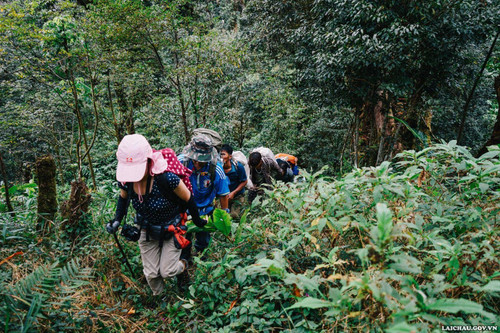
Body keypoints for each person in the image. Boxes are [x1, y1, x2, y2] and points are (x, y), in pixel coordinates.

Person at [106, 134, 207, 295]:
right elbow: (123, 200)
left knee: (168, 271)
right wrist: (117, 219)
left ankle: (184, 265)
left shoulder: (166, 178)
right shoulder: (127, 181)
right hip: (146, 227)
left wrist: (197, 220)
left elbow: (188, 198)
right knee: (151, 274)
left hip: (172, 226)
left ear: (148, 162)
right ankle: (161, 300)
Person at [179, 134, 230, 258]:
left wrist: (224, 216)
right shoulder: (180, 163)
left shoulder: (215, 169)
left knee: (203, 242)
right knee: (183, 241)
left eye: (201, 161)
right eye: (195, 160)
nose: (197, 163)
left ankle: (201, 261)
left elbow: (223, 195)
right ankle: (185, 261)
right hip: (183, 211)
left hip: (204, 210)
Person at [220, 144, 247, 220]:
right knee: (222, 217)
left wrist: (234, 193)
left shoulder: (238, 167)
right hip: (224, 196)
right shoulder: (218, 168)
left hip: (237, 195)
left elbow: (244, 181)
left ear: (230, 156)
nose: (221, 157)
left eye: (223, 154)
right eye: (220, 154)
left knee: (234, 216)